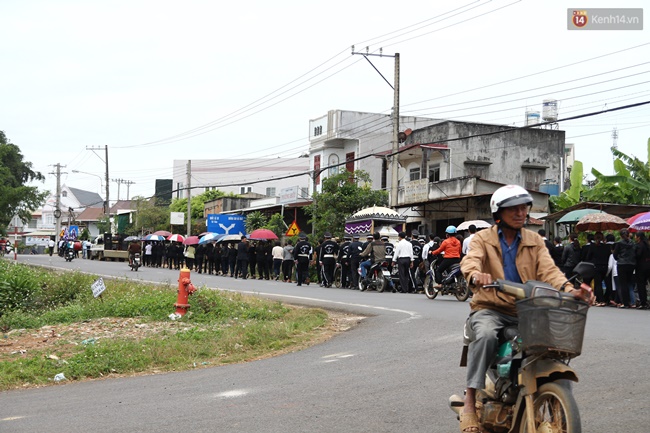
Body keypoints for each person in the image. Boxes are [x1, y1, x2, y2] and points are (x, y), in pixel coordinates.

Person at [459, 185, 594, 433]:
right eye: (514, 208)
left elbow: (549, 271)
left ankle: (552, 400)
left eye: (524, 207)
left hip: (527, 309)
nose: (521, 213)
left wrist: (570, 290)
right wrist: (476, 275)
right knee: (486, 334)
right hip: (490, 307)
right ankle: (470, 401)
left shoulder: (535, 240)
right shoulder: (482, 239)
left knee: (550, 346)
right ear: (499, 212)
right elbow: (471, 260)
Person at [585, 231, 611, 306]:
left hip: (596, 266)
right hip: (605, 266)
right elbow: (609, 256)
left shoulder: (592, 246)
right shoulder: (606, 247)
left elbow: (588, 257)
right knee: (606, 283)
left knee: (598, 284)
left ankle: (600, 300)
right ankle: (605, 299)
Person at [613, 228, 636, 308]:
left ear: (621, 235)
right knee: (629, 283)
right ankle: (631, 301)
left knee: (623, 284)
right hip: (631, 264)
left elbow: (615, 255)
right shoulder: (633, 243)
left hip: (622, 264)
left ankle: (625, 302)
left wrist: (619, 259)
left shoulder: (619, 243)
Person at [634, 232, 650, 309]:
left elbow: (638, 255)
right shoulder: (647, 245)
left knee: (641, 285)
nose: (635, 238)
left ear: (639, 237)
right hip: (648, 266)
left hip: (641, 267)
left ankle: (643, 302)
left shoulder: (640, 246)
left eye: (635, 236)